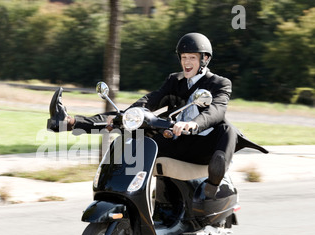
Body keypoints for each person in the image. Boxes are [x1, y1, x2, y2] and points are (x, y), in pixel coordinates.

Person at [47, 33, 268, 203]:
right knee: (130, 122)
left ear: (204, 59)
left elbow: (216, 111)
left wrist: (193, 123)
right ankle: (69, 122)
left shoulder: (219, 83)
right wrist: (133, 114)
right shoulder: (175, 80)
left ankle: (211, 188)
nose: (186, 62)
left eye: (192, 57)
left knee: (228, 130)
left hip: (203, 145)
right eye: (183, 57)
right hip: (176, 139)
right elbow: (151, 99)